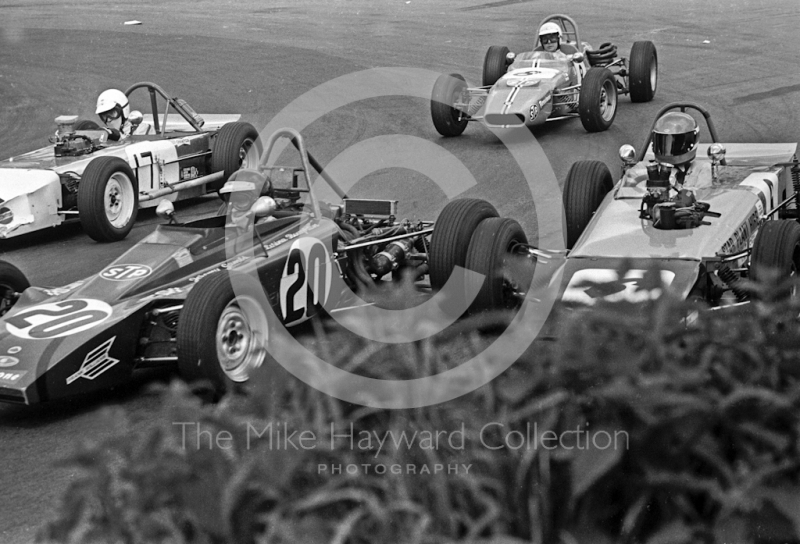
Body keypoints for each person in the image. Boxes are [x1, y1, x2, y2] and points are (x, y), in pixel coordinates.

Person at [651, 111, 710, 188]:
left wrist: (685, 193)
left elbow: (703, 195)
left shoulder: (702, 169)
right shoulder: (650, 169)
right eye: (664, 142)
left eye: (677, 143)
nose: (669, 148)